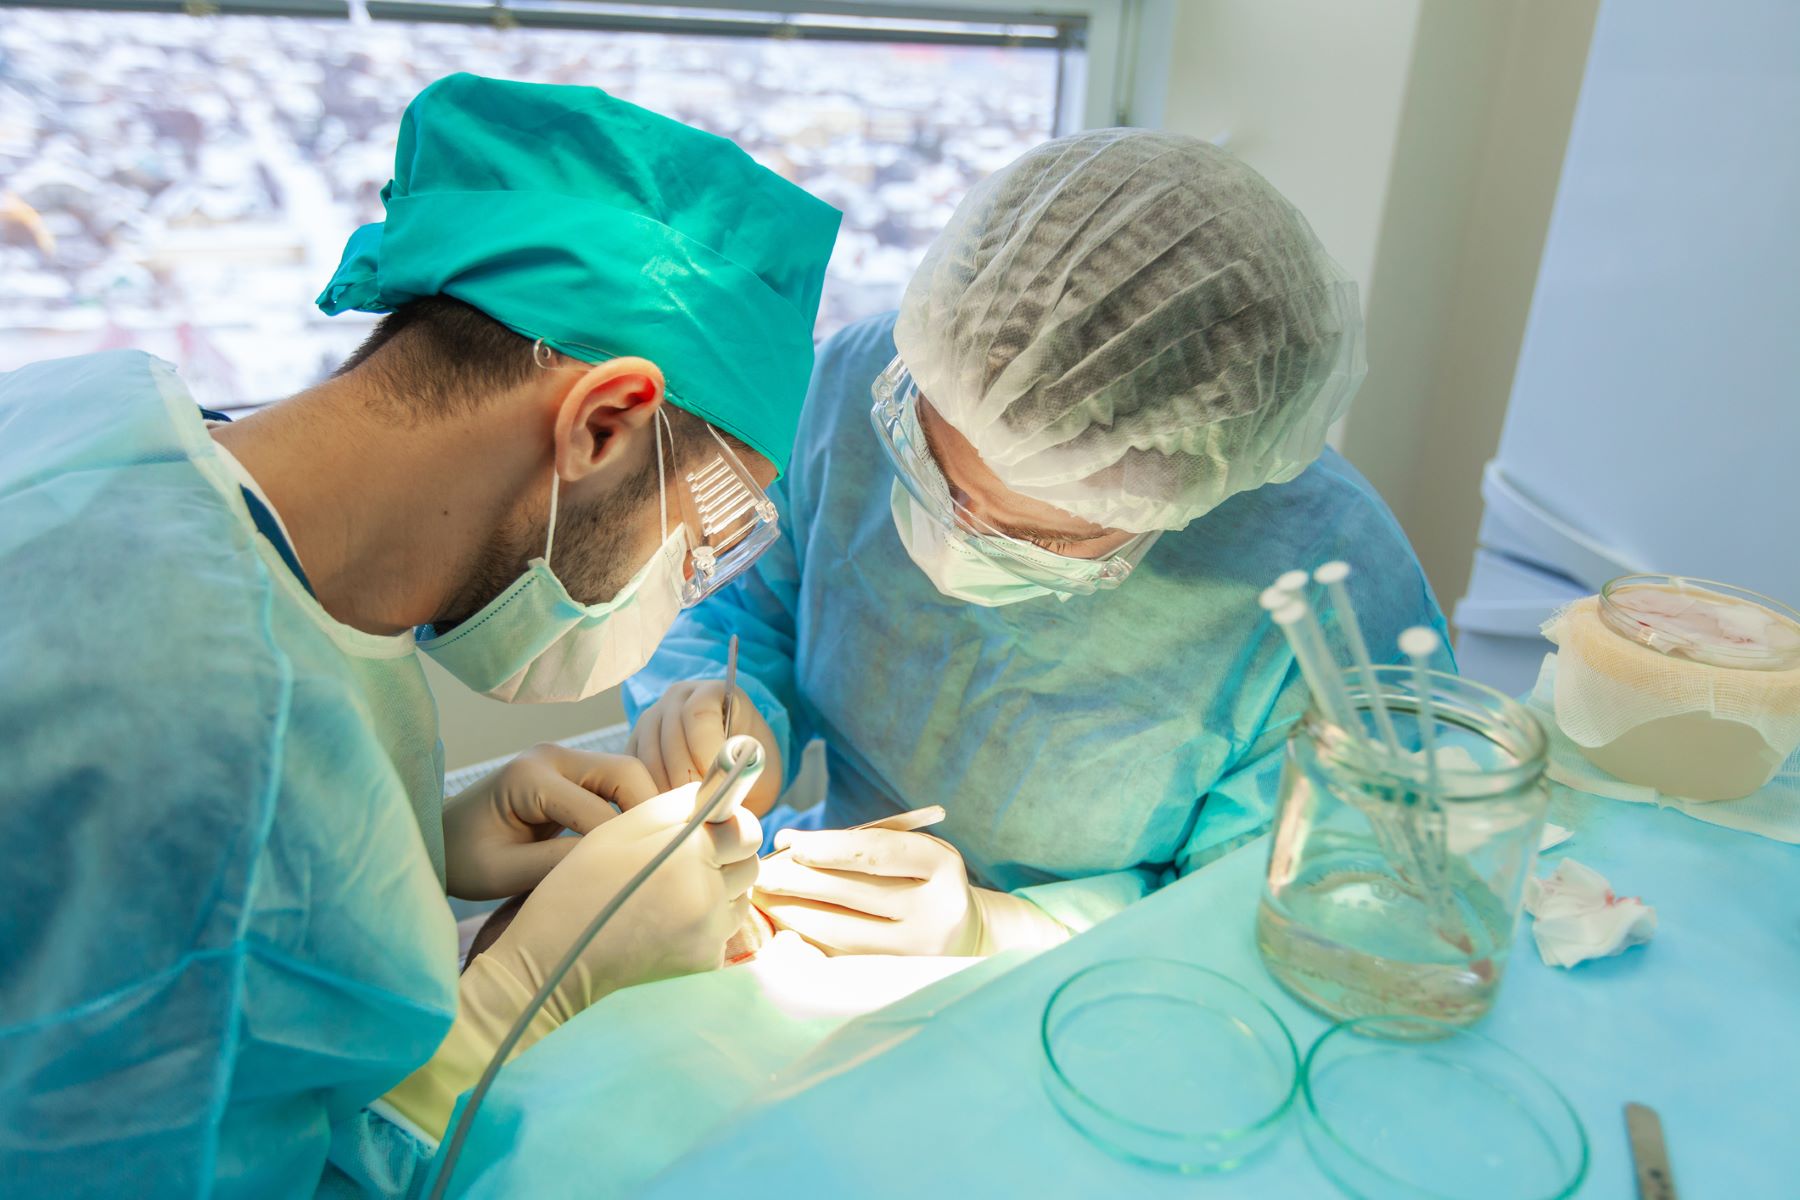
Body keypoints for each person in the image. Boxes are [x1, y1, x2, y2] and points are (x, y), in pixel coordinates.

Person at [0, 74, 839, 1196]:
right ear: (603, 421)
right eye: (715, 528)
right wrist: (512, 1008)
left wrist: (421, 853)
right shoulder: (203, 733)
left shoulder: (102, 414)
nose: (692, 579)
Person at [626, 129, 1447, 957]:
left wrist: (1009, 932)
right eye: (930, 471)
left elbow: (1281, 909)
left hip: (1101, 992)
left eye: (1038, 535)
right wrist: (727, 714)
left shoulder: (1327, 595)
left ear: (1187, 494)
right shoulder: (863, 380)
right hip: (814, 913)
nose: (954, 545)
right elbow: (739, 604)